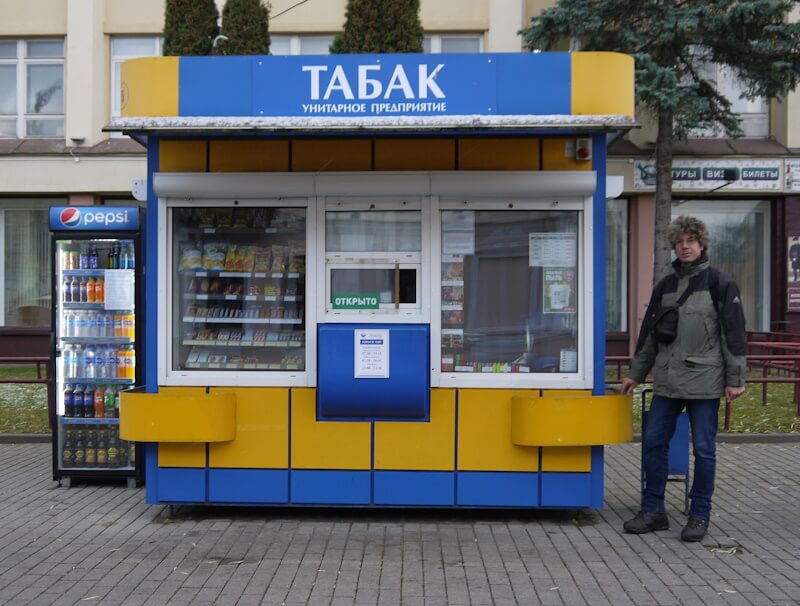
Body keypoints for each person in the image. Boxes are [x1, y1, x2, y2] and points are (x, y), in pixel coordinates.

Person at [620, 216, 746, 542]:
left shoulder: (721, 283)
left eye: (691, 241)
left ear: (702, 244)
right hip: (667, 381)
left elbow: (733, 335)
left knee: (703, 450)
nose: (685, 246)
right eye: (680, 242)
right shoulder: (665, 285)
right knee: (653, 443)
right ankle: (653, 510)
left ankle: (699, 514)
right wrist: (636, 373)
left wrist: (736, 379)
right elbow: (649, 335)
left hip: (705, 381)